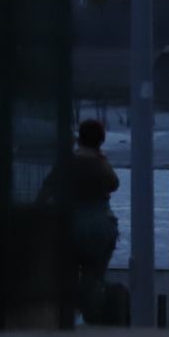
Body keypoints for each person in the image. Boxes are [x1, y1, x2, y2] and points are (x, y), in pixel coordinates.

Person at [40, 119, 121, 322]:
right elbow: (114, 184)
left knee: (65, 276)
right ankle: (93, 320)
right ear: (101, 140)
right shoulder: (101, 163)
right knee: (93, 279)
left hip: (69, 225)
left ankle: (65, 319)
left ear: (79, 138)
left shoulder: (67, 162)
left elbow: (47, 189)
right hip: (100, 225)